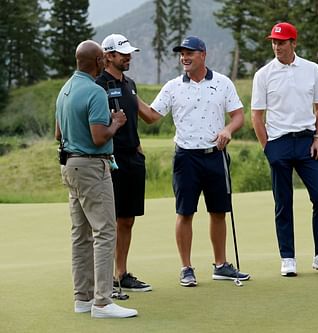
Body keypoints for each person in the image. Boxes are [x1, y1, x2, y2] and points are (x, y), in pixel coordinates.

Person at [138, 36, 250, 287]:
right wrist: (129, 94)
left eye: (189, 53)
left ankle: (220, 266)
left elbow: (238, 116)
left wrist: (228, 130)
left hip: (215, 155)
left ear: (203, 54)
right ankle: (186, 268)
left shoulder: (222, 83)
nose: (184, 58)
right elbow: (152, 116)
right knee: (184, 212)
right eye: (181, 54)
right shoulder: (173, 86)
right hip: (186, 157)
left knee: (218, 211)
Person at [55, 40, 138, 318]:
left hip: (69, 165)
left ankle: (83, 298)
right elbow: (99, 136)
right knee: (104, 232)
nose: (105, 61)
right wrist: (116, 123)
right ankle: (102, 301)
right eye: (102, 57)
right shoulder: (94, 91)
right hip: (92, 166)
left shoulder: (65, 90)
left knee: (80, 234)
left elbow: (58, 134)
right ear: (96, 62)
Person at [251, 22, 318, 277]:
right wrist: (267, 148)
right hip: (278, 143)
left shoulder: (311, 69)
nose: (277, 46)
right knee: (283, 203)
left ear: (293, 43)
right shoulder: (263, 74)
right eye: (274, 42)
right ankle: (287, 257)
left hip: (307, 142)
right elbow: (257, 116)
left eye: (282, 42)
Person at [95, 33, 151, 293]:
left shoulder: (130, 83)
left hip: (132, 158)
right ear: (108, 56)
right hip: (108, 159)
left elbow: (147, 115)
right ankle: (104, 278)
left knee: (127, 218)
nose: (128, 57)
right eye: (122, 53)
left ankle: (121, 273)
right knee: (108, 221)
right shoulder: (98, 85)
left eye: (129, 53)